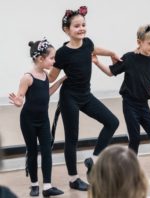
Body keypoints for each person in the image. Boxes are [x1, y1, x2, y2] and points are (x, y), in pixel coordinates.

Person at [93, 24, 150, 180]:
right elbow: (111, 72)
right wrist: (97, 62)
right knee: (135, 138)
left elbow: (147, 83)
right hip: (130, 104)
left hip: (144, 105)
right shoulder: (129, 58)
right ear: (139, 42)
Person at [48, 6, 120, 191]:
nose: (81, 28)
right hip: (69, 98)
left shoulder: (87, 43)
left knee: (112, 122)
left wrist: (112, 53)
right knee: (72, 138)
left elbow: (97, 49)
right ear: (66, 30)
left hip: (86, 96)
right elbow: (51, 77)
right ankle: (73, 179)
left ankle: (93, 160)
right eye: (76, 26)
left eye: (83, 25)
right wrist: (36, 75)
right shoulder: (62, 53)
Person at [9, 38, 65, 197]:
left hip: (43, 120)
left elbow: (46, 93)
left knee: (47, 151)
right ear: (41, 59)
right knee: (32, 151)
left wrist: (61, 80)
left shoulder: (45, 75)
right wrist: (18, 101)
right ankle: (34, 185)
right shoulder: (27, 77)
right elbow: (20, 98)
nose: (54, 61)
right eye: (51, 58)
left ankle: (47, 186)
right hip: (28, 120)